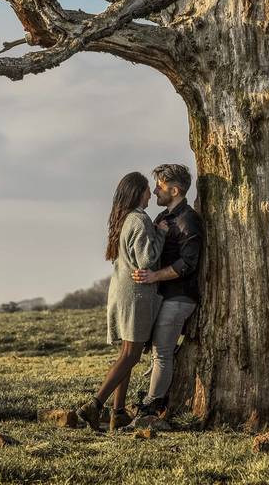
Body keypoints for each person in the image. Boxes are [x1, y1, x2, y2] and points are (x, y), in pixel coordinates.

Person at [74, 171, 168, 432]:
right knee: (130, 354)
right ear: (138, 193)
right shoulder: (139, 220)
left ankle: (117, 412)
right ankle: (95, 405)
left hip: (122, 292)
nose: (151, 194)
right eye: (148, 189)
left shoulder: (124, 219)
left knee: (126, 354)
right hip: (135, 296)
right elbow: (147, 261)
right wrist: (160, 234)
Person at [132, 163, 203, 417]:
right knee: (160, 353)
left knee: (162, 353)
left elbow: (187, 264)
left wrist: (154, 276)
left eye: (160, 187)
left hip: (179, 297)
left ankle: (152, 406)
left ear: (174, 190)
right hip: (166, 296)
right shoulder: (164, 218)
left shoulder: (188, 220)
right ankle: (159, 399)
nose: (154, 191)